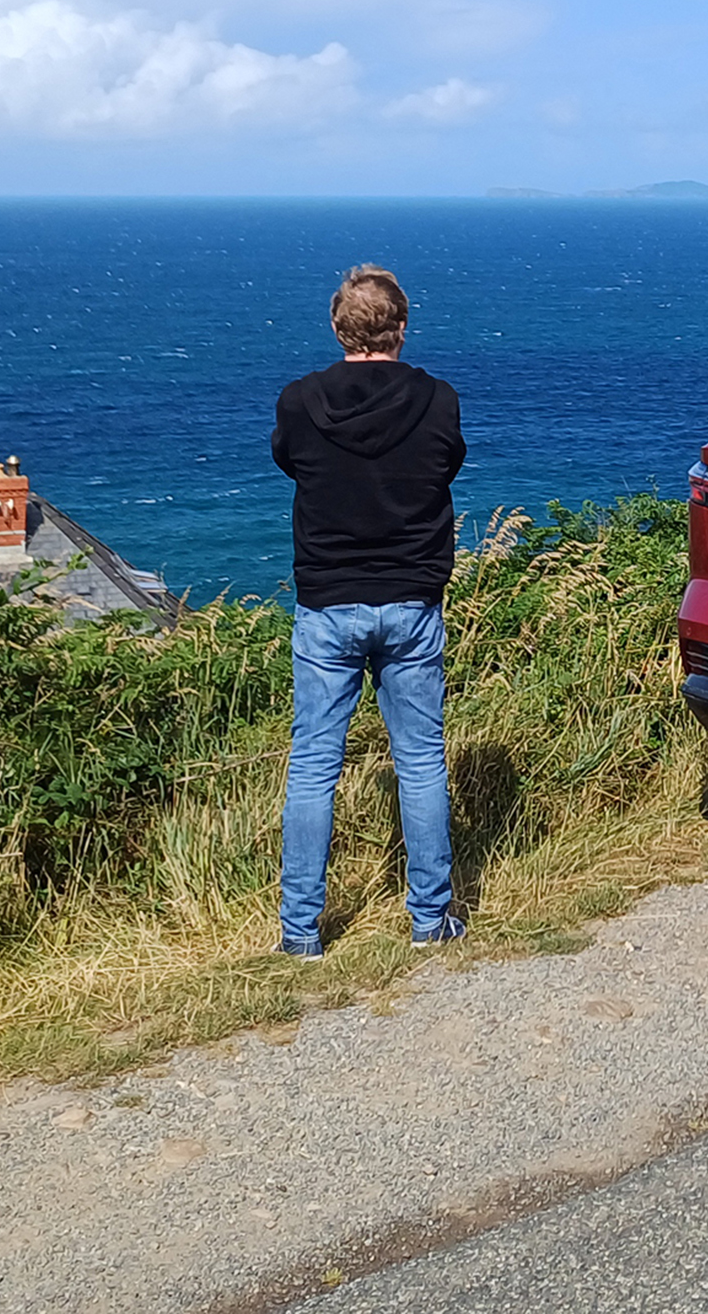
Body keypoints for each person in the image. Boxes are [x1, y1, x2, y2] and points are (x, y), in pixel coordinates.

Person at [269, 264, 466, 959]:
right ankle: (430, 920)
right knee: (419, 762)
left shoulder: (300, 402)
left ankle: (300, 932)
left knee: (314, 766)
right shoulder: (438, 401)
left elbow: (290, 461)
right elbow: (445, 466)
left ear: (337, 327)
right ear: (402, 329)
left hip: (327, 602)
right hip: (411, 600)